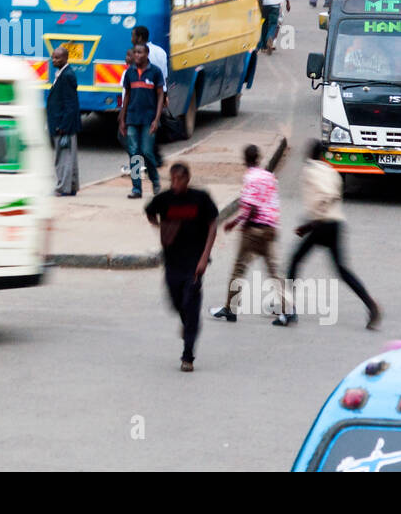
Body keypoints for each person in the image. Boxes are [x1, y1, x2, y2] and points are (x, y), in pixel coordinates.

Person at [276, 141, 380, 328]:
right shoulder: (331, 171)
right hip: (336, 224)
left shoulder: (309, 170)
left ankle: (289, 311)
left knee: (295, 261)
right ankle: (371, 305)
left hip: (321, 224)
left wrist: (310, 225)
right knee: (342, 270)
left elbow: (324, 196)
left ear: (309, 154)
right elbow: (336, 194)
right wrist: (309, 226)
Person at [144, 162, 219, 372]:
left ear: (187, 179)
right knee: (176, 302)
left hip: (195, 263)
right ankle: (188, 324)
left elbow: (213, 225)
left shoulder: (200, 199)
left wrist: (205, 257)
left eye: (179, 179)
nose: (175, 184)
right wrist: (160, 227)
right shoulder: (165, 200)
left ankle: (188, 355)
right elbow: (149, 211)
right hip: (172, 262)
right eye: (172, 179)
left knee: (191, 303)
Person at [211, 145, 284, 323]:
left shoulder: (250, 177)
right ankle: (287, 309)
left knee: (239, 269)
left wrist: (237, 223)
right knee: (274, 271)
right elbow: (271, 202)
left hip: (254, 229)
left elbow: (251, 207)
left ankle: (230, 308)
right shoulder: (269, 176)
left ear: (245, 160)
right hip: (269, 228)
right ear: (258, 158)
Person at [119, 42, 164, 199]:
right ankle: (136, 188)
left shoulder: (155, 72)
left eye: (140, 53)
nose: (137, 55)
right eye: (135, 52)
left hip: (149, 119)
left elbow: (160, 96)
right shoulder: (129, 73)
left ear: (146, 54)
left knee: (146, 151)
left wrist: (157, 119)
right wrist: (122, 119)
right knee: (134, 153)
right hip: (132, 118)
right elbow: (127, 96)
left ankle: (155, 180)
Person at [45, 46, 80, 196]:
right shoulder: (61, 73)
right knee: (69, 157)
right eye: (53, 57)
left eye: (57, 58)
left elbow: (71, 104)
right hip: (62, 123)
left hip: (63, 125)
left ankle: (62, 188)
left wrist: (63, 126)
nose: (54, 60)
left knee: (63, 158)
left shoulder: (67, 76)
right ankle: (71, 186)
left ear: (66, 58)